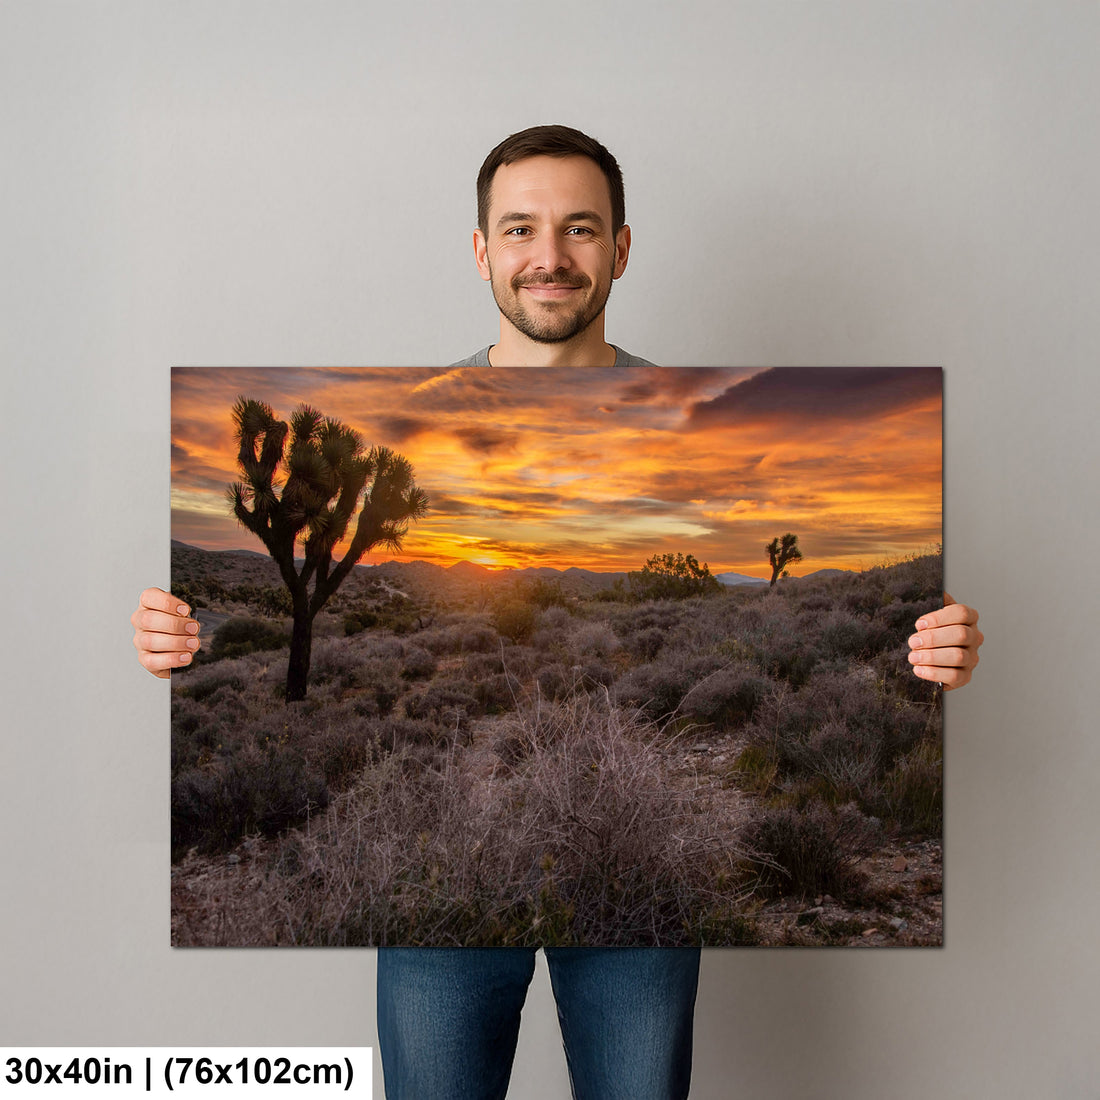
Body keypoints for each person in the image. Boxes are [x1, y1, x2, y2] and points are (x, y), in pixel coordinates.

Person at [133, 125, 984, 1099]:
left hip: (632, 895)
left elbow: (886, 620)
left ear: (620, 248)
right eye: (521, 228)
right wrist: (178, 640)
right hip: (433, 859)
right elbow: (280, 627)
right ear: (481, 248)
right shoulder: (397, 427)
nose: (549, 256)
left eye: (579, 229)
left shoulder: (685, 421)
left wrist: (926, 646)